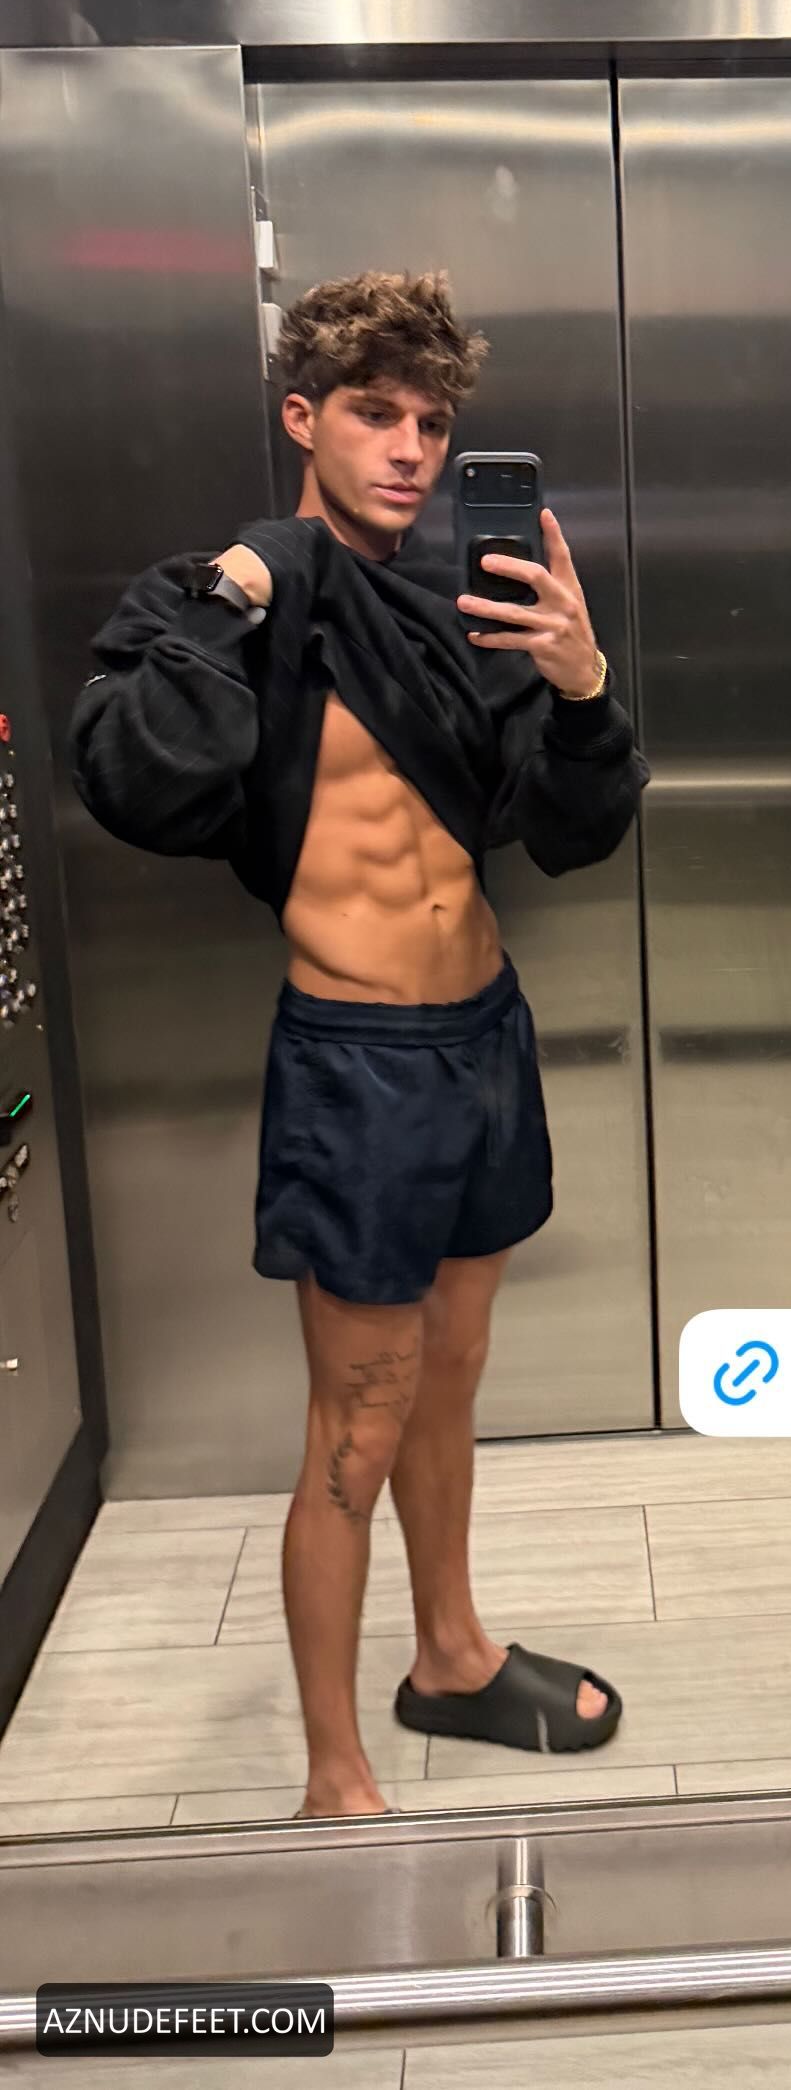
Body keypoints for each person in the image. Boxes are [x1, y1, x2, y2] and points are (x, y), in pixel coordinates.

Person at [70, 270, 650, 1817]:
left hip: (484, 1040)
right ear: (301, 416)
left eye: (432, 423)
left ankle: (449, 1654)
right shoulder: (234, 601)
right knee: (356, 1423)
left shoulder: (466, 609)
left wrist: (582, 689)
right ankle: (334, 1772)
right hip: (359, 1070)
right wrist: (239, 593)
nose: (407, 447)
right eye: (374, 412)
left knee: (449, 1380)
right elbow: (131, 776)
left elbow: (567, 828)